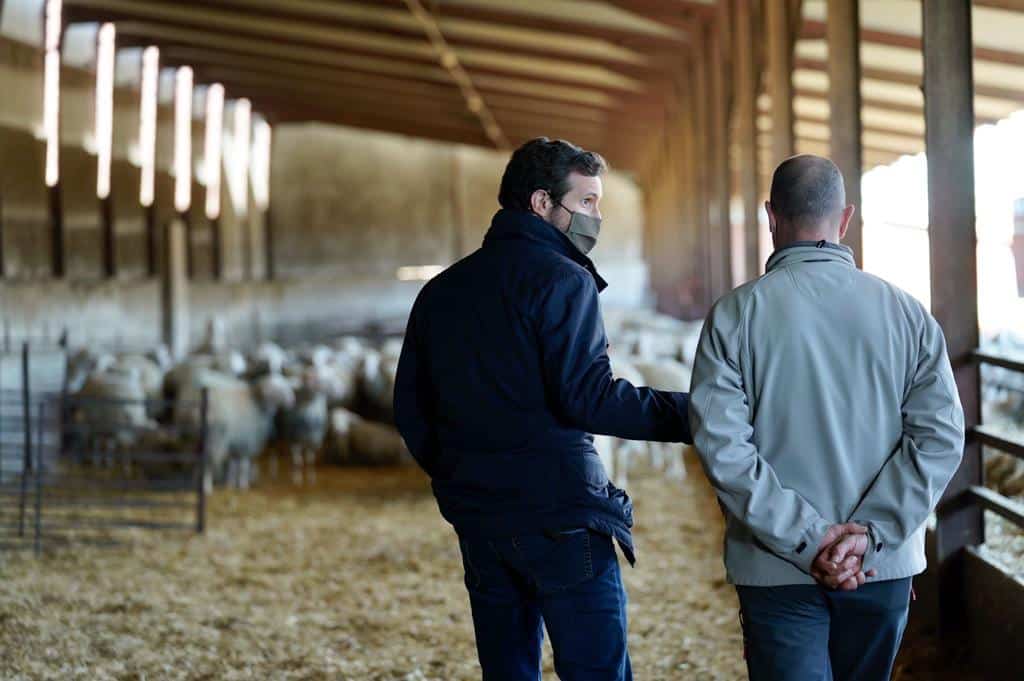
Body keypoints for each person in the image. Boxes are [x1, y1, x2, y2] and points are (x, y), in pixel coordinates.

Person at [393, 137, 692, 681]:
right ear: (540, 203)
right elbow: (590, 397)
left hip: (481, 519)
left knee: (508, 670)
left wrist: (461, 476)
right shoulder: (562, 278)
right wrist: (697, 416)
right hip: (561, 517)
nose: (596, 217)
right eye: (586, 203)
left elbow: (411, 408)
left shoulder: (442, 290)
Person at [688, 154, 966, 681]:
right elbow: (941, 436)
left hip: (776, 569)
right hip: (879, 566)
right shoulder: (907, 313)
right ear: (845, 219)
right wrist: (869, 536)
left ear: (771, 216)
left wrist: (809, 539)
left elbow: (723, 449)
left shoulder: (734, 315)